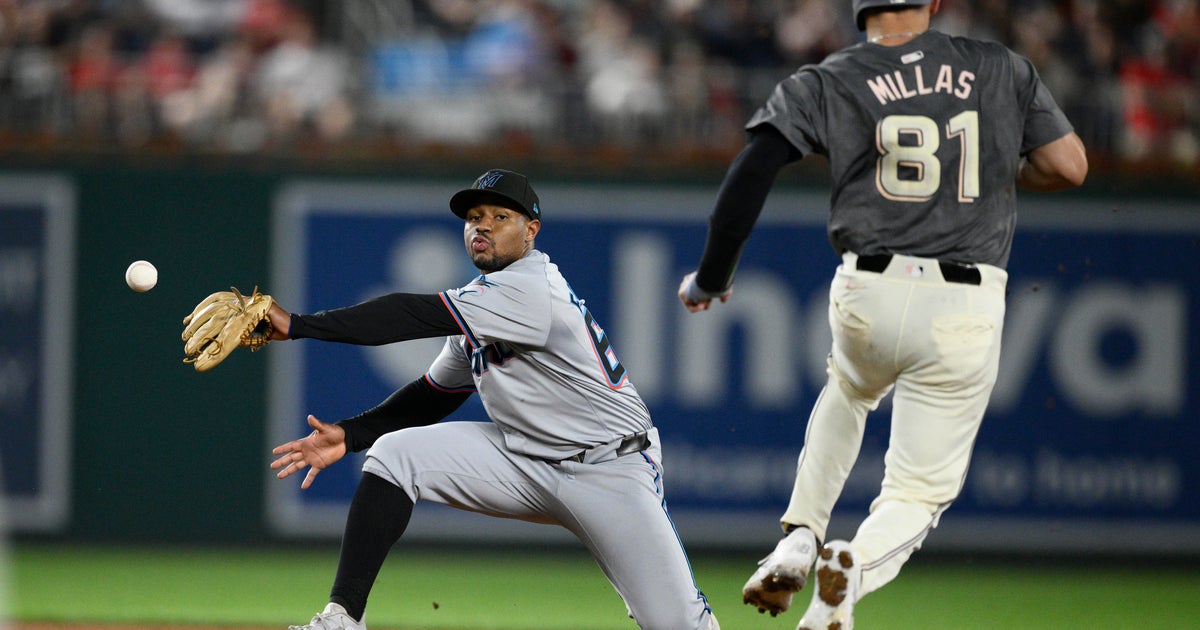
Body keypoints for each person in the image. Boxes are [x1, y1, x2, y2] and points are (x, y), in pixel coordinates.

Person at [676, 1, 1087, 628]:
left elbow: (750, 172)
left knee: (847, 390)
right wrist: (1002, 171)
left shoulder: (828, 77)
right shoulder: (998, 66)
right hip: (964, 298)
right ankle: (855, 571)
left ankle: (800, 537)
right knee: (917, 491)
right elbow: (1070, 166)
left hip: (870, 285)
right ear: (935, 2)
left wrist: (712, 276)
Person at [268, 169, 719, 630]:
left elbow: (407, 315)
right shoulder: (481, 304)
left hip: (610, 469)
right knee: (394, 455)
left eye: (500, 216)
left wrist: (299, 324)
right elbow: (434, 395)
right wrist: (352, 433)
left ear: (531, 231)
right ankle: (343, 619)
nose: (481, 225)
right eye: (473, 216)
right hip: (525, 460)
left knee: (679, 626)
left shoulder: (530, 287)